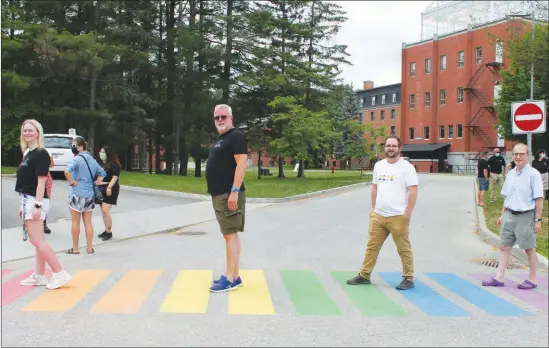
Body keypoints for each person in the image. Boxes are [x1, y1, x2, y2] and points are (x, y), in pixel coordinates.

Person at [346, 136, 419, 290]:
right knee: (372, 247)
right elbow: (374, 188)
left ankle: (408, 278)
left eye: (393, 146)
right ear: (384, 148)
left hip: (398, 216)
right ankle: (364, 275)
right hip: (378, 215)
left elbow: (413, 191)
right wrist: (373, 209)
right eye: (388, 146)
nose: (390, 148)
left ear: (400, 148)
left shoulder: (407, 167)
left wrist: (407, 213)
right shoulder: (379, 166)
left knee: (403, 249)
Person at [15, 119, 72, 290]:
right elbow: (27, 180)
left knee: (38, 241)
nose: (27, 133)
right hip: (27, 198)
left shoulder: (41, 153)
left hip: (35, 199)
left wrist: (37, 206)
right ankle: (39, 275)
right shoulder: (27, 153)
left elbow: (41, 181)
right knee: (37, 240)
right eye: (25, 130)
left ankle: (59, 273)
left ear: (38, 133)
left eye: (31, 130)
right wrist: (22, 205)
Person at [482, 143, 544, 290]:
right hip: (509, 213)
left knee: (529, 248)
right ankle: (499, 277)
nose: (518, 157)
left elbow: (539, 199)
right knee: (504, 246)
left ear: (527, 156)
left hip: (525, 215)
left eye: (521, 154)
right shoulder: (510, 174)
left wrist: (538, 220)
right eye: (515, 154)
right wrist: (502, 215)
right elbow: (507, 197)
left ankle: (532, 279)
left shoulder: (533, 174)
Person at [206, 104, 248, 293]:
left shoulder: (236, 136)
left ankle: (229, 278)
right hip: (220, 194)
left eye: (224, 116)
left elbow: (242, 164)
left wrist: (234, 191)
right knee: (229, 234)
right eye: (217, 117)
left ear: (231, 118)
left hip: (228, 194)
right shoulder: (223, 139)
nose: (220, 120)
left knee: (230, 235)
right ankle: (235, 276)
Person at [64, 136, 106, 254]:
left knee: (75, 222)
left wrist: (72, 182)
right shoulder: (92, 160)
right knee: (88, 222)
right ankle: (89, 248)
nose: (72, 148)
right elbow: (102, 173)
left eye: (73, 145)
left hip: (77, 194)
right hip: (89, 196)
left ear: (80, 147)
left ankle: (76, 248)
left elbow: (66, 171)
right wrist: (96, 182)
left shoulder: (76, 159)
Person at [97, 147, 121, 241]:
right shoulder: (100, 163)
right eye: (100, 152)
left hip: (110, 189)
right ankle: (106, 229)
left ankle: (109, 231)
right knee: (103, 211)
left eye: (103, 152)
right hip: (100, 188)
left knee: (105, 210)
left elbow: (115, 178)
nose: (101, 153)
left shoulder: (114, 165)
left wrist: (109, 187)